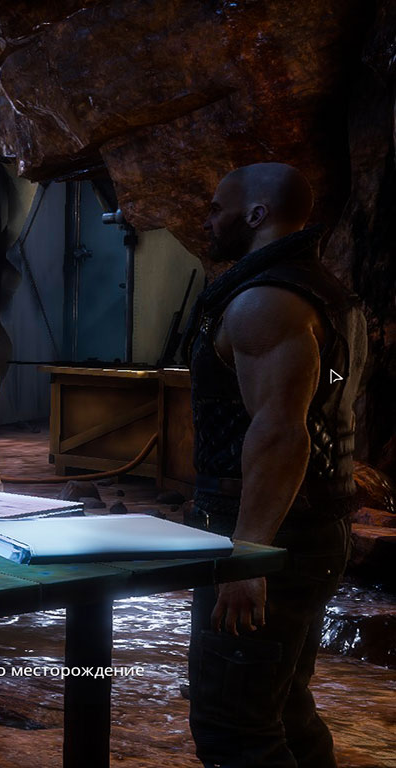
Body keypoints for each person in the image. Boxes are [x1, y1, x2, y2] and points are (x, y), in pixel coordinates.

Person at [185, 162, 365, 767]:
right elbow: (329, 393)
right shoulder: (330, 294)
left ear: (257, 214)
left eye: (217, 208)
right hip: (310, 525)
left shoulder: (264, 300)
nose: (208, 220)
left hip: (268, 530)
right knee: (283, 708)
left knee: (234, 730)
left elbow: (280, 432)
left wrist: (248, 554)